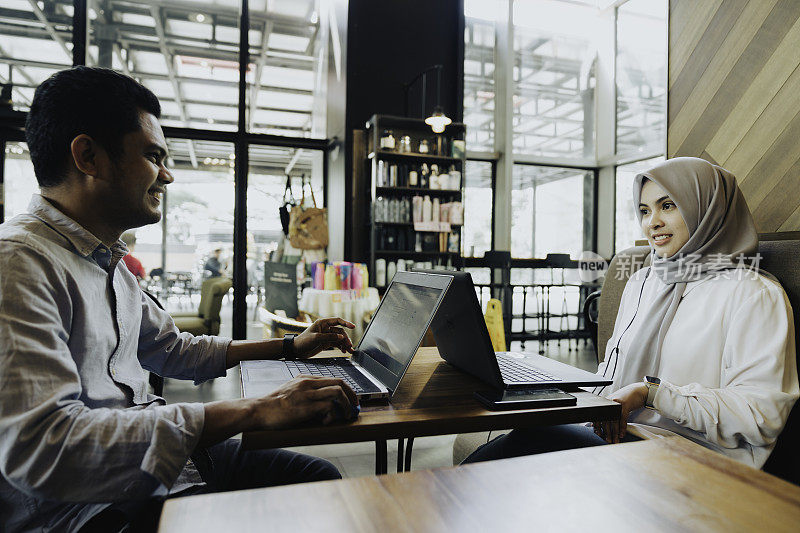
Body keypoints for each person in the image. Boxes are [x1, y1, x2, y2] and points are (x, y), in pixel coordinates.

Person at [0, 66, 357, 533]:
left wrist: (290, 347)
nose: (166, 175)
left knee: (321, 482)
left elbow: (173, 350)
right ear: (87, 156)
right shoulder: (19, 264)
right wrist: (254, 410)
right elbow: (45, 449)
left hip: (157, 467)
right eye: (153, 155)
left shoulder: (105, 259)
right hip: (89, 509)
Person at [464, 157, 799, 469]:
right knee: (526, 434)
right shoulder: (643, 280)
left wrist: (651, 394)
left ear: (707, 209)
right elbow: (610, 373)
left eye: (668, 205)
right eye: (644, 210)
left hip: (693, 456)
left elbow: (759, 415)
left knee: (526, 446)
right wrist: (556, 395)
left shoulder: (754, 295)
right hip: (619, 436)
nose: (652, 223)